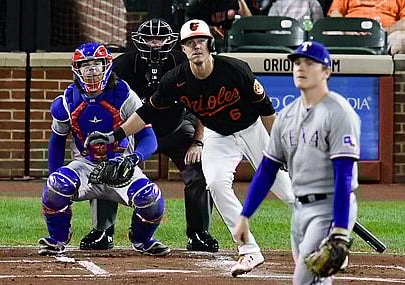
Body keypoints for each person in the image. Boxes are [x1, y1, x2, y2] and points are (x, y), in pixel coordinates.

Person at [84, 19, 295, 277]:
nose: (196, 47)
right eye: (190, 43)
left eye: (201, 41)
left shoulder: (236, 69)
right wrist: (114, 135)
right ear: (183, 49)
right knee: (216, 183)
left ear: (210, 44)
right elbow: (147, 112)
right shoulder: (175, 80)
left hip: (253, 130)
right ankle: (248, 249)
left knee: (286, 191)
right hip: (219, 136)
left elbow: (267, 111)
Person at [79, 18, 219, 253]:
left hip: (175, 128)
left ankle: (199, 233)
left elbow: (203, 106)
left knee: (201, 169)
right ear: (139, 41)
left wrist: (198, 142)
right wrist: (113, 139)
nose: (155, 44)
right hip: (134, 132)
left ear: (171, 41)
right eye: (150, 39)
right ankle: (102, 231)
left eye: (160, 39)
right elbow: (104, 104)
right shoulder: (122, 66)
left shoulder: (183, 62)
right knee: (107, 167)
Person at [233, 41, 360, 284]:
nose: (301, 68)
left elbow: (344, 174)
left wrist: (341, 229)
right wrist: (245, 214)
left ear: (326, 71)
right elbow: (267, 169)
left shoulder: (340, 114)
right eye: (297, 63)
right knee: (318, 281)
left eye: (309, 63)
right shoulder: (287, 115)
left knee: (303, 280)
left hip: (329, 208)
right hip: (300, 209)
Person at [38, 42, 170, 257]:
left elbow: (149, 138)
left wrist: (133, 159)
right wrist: (53, 177)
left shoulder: (125, 96)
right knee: (56, 185)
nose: (91, 70)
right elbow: (57, 141)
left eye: (96, 64)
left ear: (106, 66)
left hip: (121, 163)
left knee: (151, 198)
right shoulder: (65, 102)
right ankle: (58, 239)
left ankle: (142, 240)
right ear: (76, 69)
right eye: (85, 65)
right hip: (85, 165)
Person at [328, 0, 405, 55]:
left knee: (401, 39)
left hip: (385, 36)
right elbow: (335, 13)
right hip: (350, 34)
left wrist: (380, 32)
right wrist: (348, 28)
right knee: (330, 34)